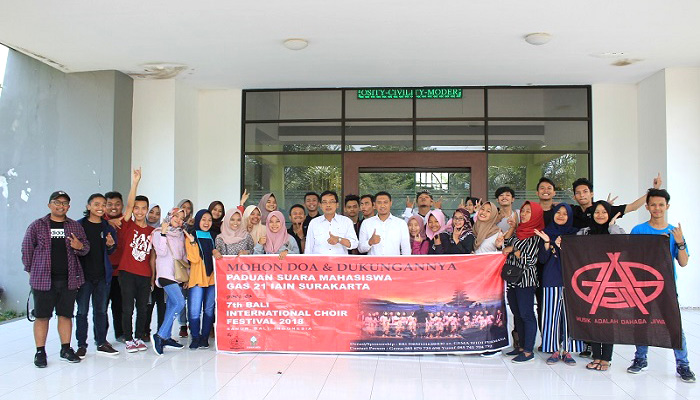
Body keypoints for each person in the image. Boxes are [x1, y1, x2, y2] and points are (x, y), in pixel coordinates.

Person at [626, 189, 694, 382]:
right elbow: (630, 258)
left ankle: (683, 365)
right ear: (647, 207)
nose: (657, 208)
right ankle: (640, 359)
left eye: (661, 205)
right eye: (653, 205)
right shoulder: (639, 230)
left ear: (667, 207)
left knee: (675, 327)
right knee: (641, 324)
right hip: (642, 286)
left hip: (667, 287)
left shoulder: (674, 232)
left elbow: (683, 262)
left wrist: (680, 242)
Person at [22, 190, 90, 367]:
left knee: (66, 315)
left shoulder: (74, 226)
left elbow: (85, 248)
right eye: (57, 202)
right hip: (43, 280)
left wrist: (79, 246)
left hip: (69, 279)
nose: (61, 206)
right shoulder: (37, 226)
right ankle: (40, 352)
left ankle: (66, 349)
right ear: (49, 205)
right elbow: (27, 250)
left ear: (69, 206)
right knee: (42, 317)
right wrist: (32, 271)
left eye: (64, 203)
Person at [576, 200, 625, 372]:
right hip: (591, 281)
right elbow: (575, 251)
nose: (600, 215)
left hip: (612, 282)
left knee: (608, 320)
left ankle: (606, 358)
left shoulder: (616, 231)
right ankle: (596, 355)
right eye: (597, 211)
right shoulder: (585, 232)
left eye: (605, 211)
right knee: (594, 320)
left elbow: (624, 246)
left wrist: (612, 226)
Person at [532, 203, 582, 365]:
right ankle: (553, 349)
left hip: (570, 280)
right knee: (550, 316)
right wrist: (547, 243)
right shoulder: (546, 233)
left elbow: (578, 259)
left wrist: (562, 248)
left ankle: (567, 350)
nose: (561, 216)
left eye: (565, 213)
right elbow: (542, 259)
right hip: (550, 279)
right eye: (558, 212)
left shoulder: (575, 234)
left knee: (569, 317)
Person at [75, 193, 119, 358]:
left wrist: (110, 245)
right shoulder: (79, 225)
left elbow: (111, 250)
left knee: (101, 311)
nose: (101, 208)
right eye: (97, 204)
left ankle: (101, 342)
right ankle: (81, 345)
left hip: (102, 276)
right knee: (82, 311)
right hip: (84, 277)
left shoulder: (107, 227)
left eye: (103, 205)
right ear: (88, 206)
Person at [116, 168, 154, 353]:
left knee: (143, 308)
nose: (139, 211)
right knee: (128, 308)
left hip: (144, 274)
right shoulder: (128, 225)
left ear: (147, 210)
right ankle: (129, 338)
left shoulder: (152, 232)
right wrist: (135, 182)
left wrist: (153, 277)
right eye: (137, 208)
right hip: (127, 273)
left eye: (143, 208)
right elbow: (129, 206)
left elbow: (153, 256)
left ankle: (139, 337)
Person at [503, 201, 544, 363]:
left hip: (526, 280)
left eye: (528, 211)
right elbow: (505, 246)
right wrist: (512, 229)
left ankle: (528, 350)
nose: (525, 214)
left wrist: (514, 249)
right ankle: (520, 346)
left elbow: (529, 260)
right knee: (517, 313)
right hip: (512, 278)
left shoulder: (536, 235)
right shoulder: (518, 231)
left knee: (527, 314)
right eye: (523, 211)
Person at [150, 208, 187, 355]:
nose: (179, 220)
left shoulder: (180, 234)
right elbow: (160, 252)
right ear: (170, 216)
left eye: (181, 218)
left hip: (177, 274)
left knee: (172, 304)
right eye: (176, 216)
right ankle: (159, 335)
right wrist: (164, 233)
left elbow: (183, 256)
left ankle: (165, 337)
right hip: (165, 274)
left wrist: (187, 276)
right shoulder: (159, 232)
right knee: (179, 303)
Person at [571, 174, 663, 229]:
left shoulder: (603, 209)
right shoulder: (571, 211)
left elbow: (633, 207)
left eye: (585, 191)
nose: (582, 195)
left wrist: (654, 190)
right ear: (574, 196)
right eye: (578, 193)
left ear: (592, 194)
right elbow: (557, 208)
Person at [185, 209, 218, 349]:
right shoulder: (191, 235)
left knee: (209, 309)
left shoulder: (214, 236)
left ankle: (204, 338)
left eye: (209, 220)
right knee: (194, 310)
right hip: (198, 278)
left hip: (212, 279)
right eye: (203, 219)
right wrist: (193, 243)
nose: (206, 222)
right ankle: (195, 337)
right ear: (198, 220)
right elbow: (193, 258)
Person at [104, 191, 125, 342]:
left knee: (120, 306)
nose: (113, 207)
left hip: (121, 272)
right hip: (103, 272)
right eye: (109, 204)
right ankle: (101, 337)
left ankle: (120, 333)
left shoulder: (126, 220)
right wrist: (106, 223)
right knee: (101, 307)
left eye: (117, 204)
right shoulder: (98, 221)